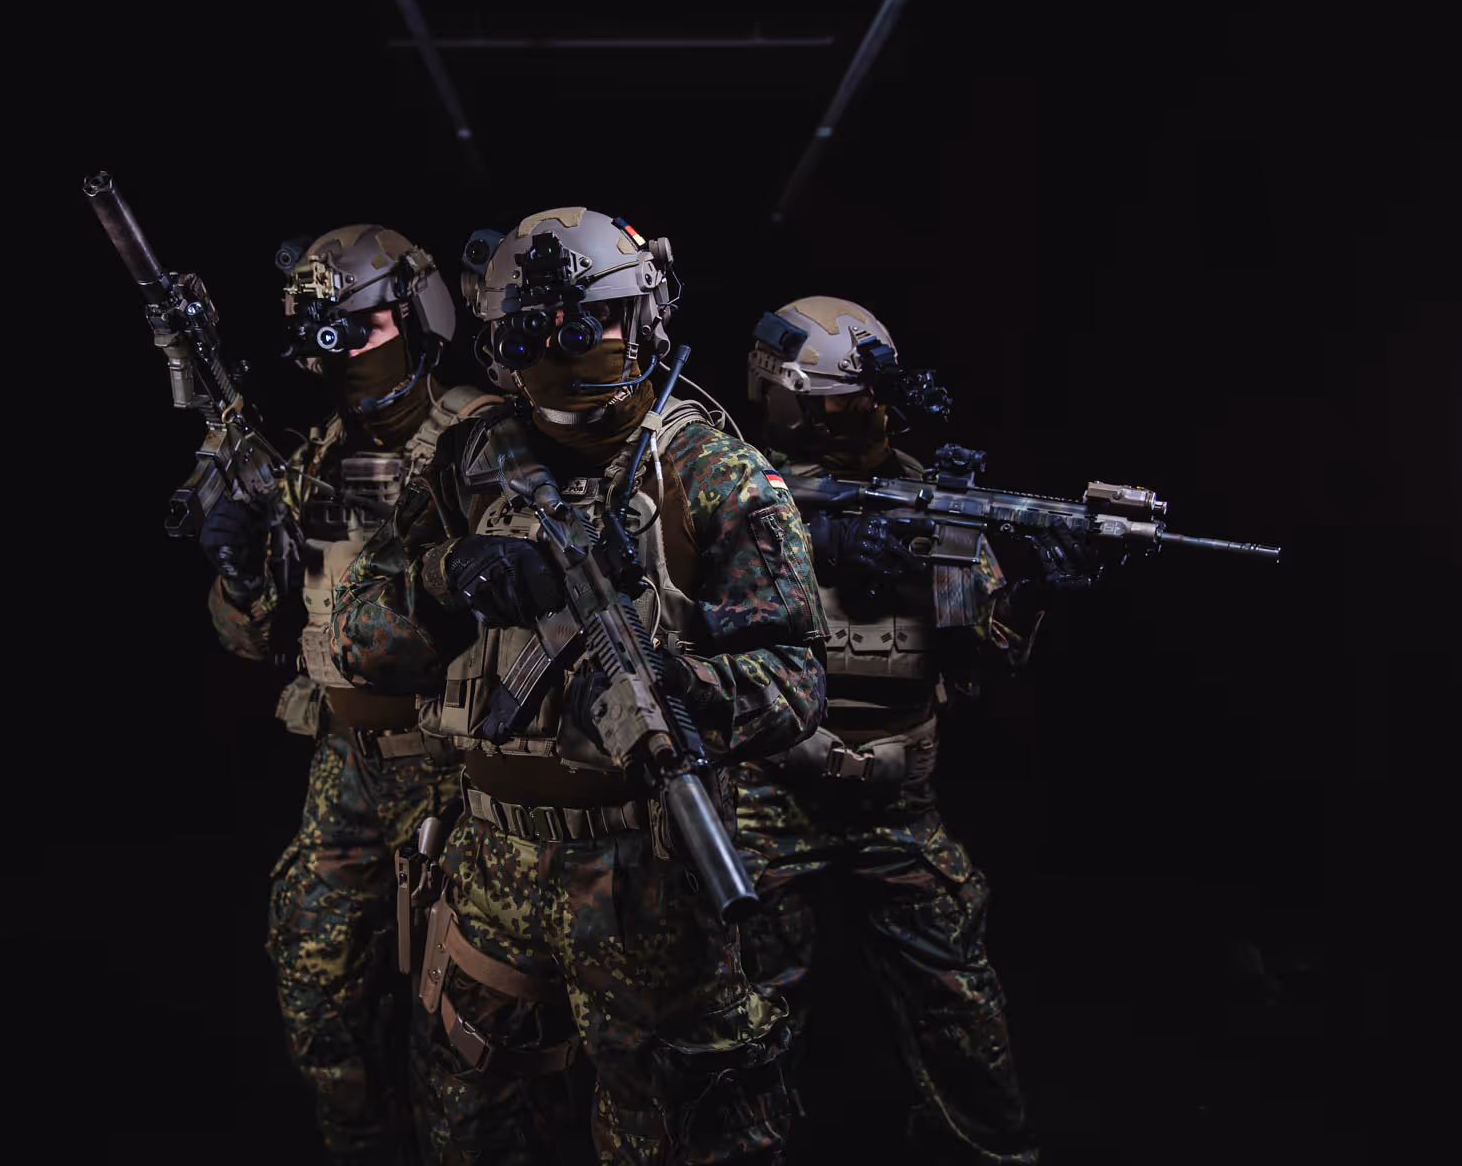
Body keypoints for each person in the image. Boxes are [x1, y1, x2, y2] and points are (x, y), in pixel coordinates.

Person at [330, 208, 828, 1163]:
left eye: (588, 322)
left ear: (644, 322)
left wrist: (679, 683)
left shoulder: (716, 476)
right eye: (533, 331)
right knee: (473, 1127)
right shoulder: (465, 464)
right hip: (487, 869)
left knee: (681, 1130)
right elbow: (359, 638)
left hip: (649, 878)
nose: (563, 352)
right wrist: (448, 579)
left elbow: (795, 683)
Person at [737, 297, 1089, 1164]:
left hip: (896, 798)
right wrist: (816, 547)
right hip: (767, 793)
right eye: (834, 400)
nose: (862, 413)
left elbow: (982, 655)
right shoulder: (735, 487)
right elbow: (687, 630)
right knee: (740, 1017)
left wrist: (1030, 584)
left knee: (957, 1001)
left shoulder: (935, 494)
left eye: (864, 396)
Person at [198, 223, 501, 1163]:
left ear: (420, 318)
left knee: (463, 1039)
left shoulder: (487, 443)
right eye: (328, 337)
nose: (347, 359)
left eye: (364, 330)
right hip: (348, 773)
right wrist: (240, 566)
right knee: (318, 997)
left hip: (466, 778)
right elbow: (253, 640)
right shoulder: (318, 456)